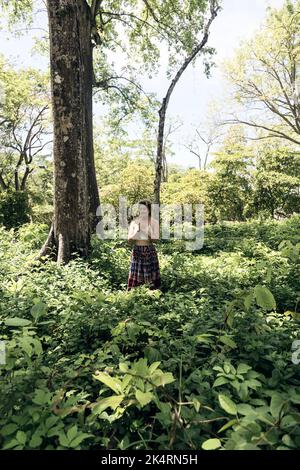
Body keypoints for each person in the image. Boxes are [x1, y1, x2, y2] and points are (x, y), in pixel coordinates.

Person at [127, 200, 161, 290]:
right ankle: (135, 293)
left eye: (145, 209)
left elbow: (156, 240)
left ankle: (152, 293)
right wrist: (137, 231)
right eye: (141, 209)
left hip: (149, 251)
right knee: (137, 273)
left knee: (150, 273)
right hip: (137, 251)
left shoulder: (154, 222)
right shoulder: (134, 222)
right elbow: (129, 240)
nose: (142, 211)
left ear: (149, 210)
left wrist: (146, 231)